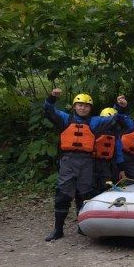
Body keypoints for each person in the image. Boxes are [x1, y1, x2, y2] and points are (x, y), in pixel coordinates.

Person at [42, 88, 117, 241]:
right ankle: (58, 229)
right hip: (68, 161)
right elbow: (49, 110)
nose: (82, 107)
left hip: (86, 162)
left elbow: (113, 118)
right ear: (74, 106)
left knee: (85, 194)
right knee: (63, 194)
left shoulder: (94, 122)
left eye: (86, 105)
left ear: (90, 108)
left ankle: (83, 227)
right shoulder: (65, 119)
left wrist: (119, 106)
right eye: (79, 104)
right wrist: (51, 98)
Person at [92, 107, 126, 193]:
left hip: (107, 163)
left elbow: (119, 152)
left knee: (106, 183)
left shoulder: (115, 134)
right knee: (91, 185)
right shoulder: (94, 130)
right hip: (92, 162)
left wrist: (121, 168)